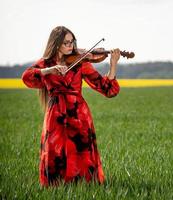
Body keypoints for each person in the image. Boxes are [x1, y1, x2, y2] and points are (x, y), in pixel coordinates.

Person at [22, 26, 120, 186]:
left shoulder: (81, 62)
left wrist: (113, 65)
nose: (71, 46)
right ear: (56, 44)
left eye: (72, 42)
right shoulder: (45, 64)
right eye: (66, 43)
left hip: (78, 113)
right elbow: (27, 77)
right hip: (56, 114)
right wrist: (49, 71)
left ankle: (85, 187)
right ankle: (55, 187)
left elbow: (108, 89)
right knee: (55, 151)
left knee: (81, 150)